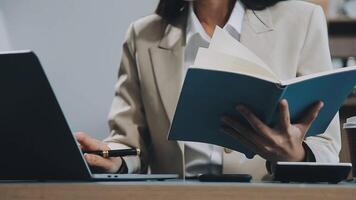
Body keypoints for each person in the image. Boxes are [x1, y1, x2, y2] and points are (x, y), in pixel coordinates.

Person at [75, 0, 341, 180]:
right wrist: (113, 159)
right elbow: (130, 144)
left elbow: (326, 147)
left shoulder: (302, 20)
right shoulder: (143, 35)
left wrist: (295, 156)